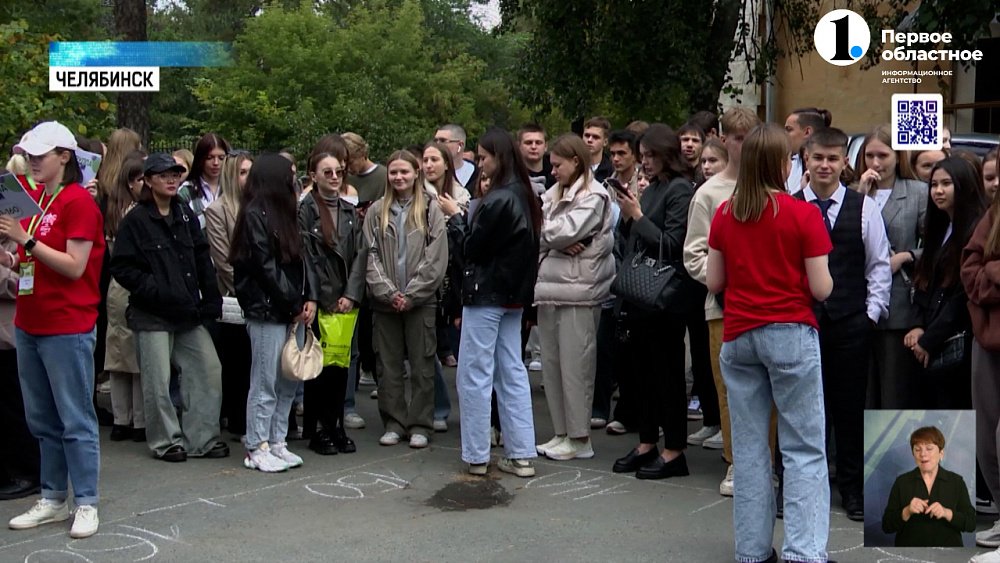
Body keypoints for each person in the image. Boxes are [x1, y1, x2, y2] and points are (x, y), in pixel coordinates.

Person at [707, 123, 834, 563]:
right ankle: (804, 552)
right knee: (803, 448)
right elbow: (821, 289)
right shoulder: (803, 214)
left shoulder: (726, 212)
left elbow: (714, 281)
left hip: (740, 334)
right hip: (791, 332)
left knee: (749, 450)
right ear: (784, 165)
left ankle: (752, 551)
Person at [0, 121, 106, 538]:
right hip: (30, 321)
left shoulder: (78, 201)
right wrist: (13, 258)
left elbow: (75, 266)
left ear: (64, 157)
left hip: (67, 324)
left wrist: (24, 241)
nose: (32, 162)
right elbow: (35, 259)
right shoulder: (40, 197)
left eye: (39, 156)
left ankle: (86, 501)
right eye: (28, 156)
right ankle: (53, 496)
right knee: (42, 418)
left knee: (74, 418)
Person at [796, 127, 892, 522]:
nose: (825, 165)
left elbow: (878, 265)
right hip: (800, 324)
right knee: (801, 410)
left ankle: (852, 490)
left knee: (849, 410)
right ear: (806, 159)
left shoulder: (864, 208)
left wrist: (870, 315)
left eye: (832, 158)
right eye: (818, 157)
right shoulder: (790, 206)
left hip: (851, 324)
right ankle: (800, 487)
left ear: (844, 162)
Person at [110, 153, 228, 464]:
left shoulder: (184, 213)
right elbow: (122, 267)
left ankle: (201, 438)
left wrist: (211, 297)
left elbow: (202, 256)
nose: (172, 180)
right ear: (148, 181)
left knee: (207, 369)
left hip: (188, 311)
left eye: (175, 174)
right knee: (157, 381)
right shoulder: (136, 220)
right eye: (163, 175)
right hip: (151, 313)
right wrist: (155, 290)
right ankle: (166, 441)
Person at [438, 128, 542, 477]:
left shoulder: (500, 198)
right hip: (513, 296)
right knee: (511, 370)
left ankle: (477, 454)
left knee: (475, 373)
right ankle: (521, 452)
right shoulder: (523, 196)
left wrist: (456, 218)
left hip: (486, 293)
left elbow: (472, 247)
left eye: (483, 158)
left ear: (499, 156)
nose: (480, 164)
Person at [610, 124, 697, 480]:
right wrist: (629, 214)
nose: (644, 162)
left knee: (667, 373)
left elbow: (672, 244)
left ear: (666, 155)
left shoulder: (680, 189)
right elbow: (632, 234)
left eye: (650, 156)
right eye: (642, 156)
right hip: (640, 294)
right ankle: (646, 440)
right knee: (641, 372)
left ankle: (674, 448)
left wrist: (637, 215)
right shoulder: (654, 187)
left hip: (666, 297)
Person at [683, 106, 760, 497]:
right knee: (730, 389)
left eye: (750, 139)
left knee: (766, 390)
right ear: (724, 140)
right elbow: (693, 254)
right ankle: (736, 462)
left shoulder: (772, 185)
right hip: (723, 306)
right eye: (737, 139)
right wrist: (723, 283)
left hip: (767, 306)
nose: (744, 146)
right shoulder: (709, 193)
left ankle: (766, 461)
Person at [228, 154, 315, 472]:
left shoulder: (287, 213)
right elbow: (264, 267)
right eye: (290, 175)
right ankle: (257, 444)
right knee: (265, 380)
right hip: (267, 309)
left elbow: (302, 261)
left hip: (292, 309)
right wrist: (293, 303)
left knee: (288, 379)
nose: (295, 180)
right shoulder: (255, 215)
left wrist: (309, 298)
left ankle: (277, 440)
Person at [533, 134, 614, 461]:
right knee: (552, 366)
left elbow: (564, 231)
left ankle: (580, 438)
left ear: (576, 161)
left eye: (557, 165)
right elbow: (540, 232)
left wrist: (550, 238)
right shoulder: (553, 194)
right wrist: (553, 241)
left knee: (576, 366)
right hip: (550, 288)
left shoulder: (595, 195)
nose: (552, 171)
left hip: (580, 291)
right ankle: (562, 432)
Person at [364, 150, 447, 449]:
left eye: (404, 172)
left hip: (420, 302)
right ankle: (394, 422)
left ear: (416, 173)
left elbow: (436, 258)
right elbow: (370, 255)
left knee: (423, 365)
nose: (399, 177)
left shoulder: (431, 210)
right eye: (394, 172)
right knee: (388, 366)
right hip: (385, 303)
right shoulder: (377, 211)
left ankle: (420, 423)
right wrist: (388, 292)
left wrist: (413, 294)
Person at [904, 156, 987, 408]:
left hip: (958, 342)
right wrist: (917, 325)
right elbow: (924, 280)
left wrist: (930, 339)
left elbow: (961, 297)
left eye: (946, 184)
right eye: (934, 185)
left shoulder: (976, 228)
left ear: (963, 185)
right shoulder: (940, 226)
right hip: (930, 333)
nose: (938, 191)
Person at [299, 151, 366, 455]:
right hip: (319, 299)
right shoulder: (305, 211)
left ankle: (335, 424)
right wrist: (319, 297)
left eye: (339, 171)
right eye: (327, 172)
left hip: (345, 299)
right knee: (318, 365)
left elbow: (360, 255)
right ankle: (317, 428)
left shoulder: (350, 211)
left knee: (341, 364)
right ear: (313, 176)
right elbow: (307, 257)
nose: (335, 177)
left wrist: (351, 294)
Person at [856, 125, 928, 410]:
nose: (876, 163)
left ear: (898, 156)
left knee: (893, 390)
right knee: (862, 391)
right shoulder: (853, 193)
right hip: (859, 302)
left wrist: (907, 256)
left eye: (883, 155)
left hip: (900, 303)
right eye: (870, 155)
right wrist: (860, 195)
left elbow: (936, 245)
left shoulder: (917, 192)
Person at [204, 151, 254, 439]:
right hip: (234, 296)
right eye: (242, 172)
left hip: (260, 296)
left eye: (251, 172)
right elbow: (223, 261)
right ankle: (236, 420)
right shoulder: (218, 210)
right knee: (236, 362)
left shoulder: (260, 207)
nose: (248, 178)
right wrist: (251, 289)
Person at [963, 173, 1000, 552]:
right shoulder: (993, 215)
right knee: (986, 433)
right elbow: (970, 268)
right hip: (988, 339)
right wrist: (991, 275)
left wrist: (994, 270)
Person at [103, 156, 147, 442]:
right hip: (126, 286)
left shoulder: (116, 210)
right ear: (131, 183)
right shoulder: (131, 213)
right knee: (128, 351)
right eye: (141, 179)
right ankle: (134, 419)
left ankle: (126, 418)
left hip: (120, 286)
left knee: (124, 351)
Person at [881, 426, 975, 547]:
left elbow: (971, 523)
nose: (923, 454)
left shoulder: (957, 482)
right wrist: (907, 511)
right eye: (917, 449)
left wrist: (946, 513)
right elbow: (886, 526)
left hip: (948, 553)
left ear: (941, 453)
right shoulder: (902, 482)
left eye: (929, 448)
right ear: (913, 454)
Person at [178, 133, 231, 230]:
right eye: (209, 158)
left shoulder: (232, 188)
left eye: (221, 158)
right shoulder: (186, 192)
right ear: (200, 159)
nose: (216, 163)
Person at [783, 107, 832, 193]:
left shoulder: (830, 169)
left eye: (789, 129)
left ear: (807, 132)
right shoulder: (791, 163)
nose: (784, 135)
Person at [343, 132, 388, 204]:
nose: (347, 168)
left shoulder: (385, 176)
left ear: (362, 154)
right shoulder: (343, 178)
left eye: (350, 163)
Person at [434, 124, 477, 189]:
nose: (437, 145)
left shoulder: (478, 176)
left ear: (460, 145)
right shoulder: (429, 173)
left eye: (443, 141)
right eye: (435, 141)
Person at [518, 124, 553, 194]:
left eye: (538, 143)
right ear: (519, 146)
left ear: (546, 146)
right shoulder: (511, 174)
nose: (533, 147)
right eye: (528, 143)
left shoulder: (556, 171)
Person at [582, 116, 614, 183]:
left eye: (595, 137)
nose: (589, 140)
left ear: (605, 142)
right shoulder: (574, 166)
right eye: (587, 135)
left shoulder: (611, 171)